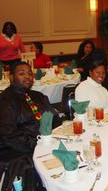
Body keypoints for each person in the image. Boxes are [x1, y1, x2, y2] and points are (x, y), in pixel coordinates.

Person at [0, 62, 61, 190]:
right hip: (21, 151)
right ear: (11, 77)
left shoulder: (38, 96)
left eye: (29, 73)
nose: (27, 77)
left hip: (47, 143)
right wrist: (37, 144)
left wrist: (54, 137)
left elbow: (55, 119)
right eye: (22, 74)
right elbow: (9, 135)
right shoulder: (5, 100)